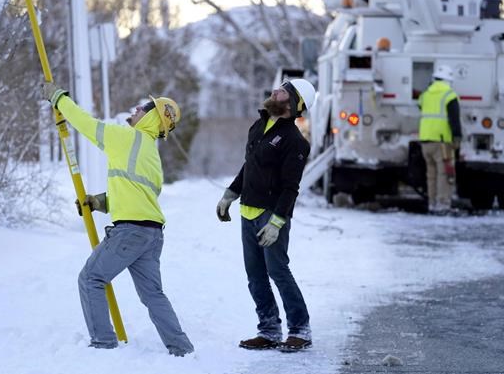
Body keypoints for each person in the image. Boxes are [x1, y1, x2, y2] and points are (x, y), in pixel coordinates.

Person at [41, 82, 194, 356]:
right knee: (153, 295)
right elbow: (137, 196)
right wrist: (100, 201)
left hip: (130, 232)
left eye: (145, 107)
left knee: (91, 278)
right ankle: (181, 348)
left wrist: (58, 98)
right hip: (152, 234)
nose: (137, 108)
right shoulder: (151, 155)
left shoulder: (126, 138)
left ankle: (103, 343)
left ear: (152, 117)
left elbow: (85, 124)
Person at [216, 78, 316, 352]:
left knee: (278, 271)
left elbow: (290, 188)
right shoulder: (258, 126)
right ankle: (269, 329)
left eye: (283, 90)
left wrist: (277, 221)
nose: (275, 90)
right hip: (248, 212)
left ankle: (300, 329)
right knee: (255, 275)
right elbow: (250, 166)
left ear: (294, 103)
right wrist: (230, 193)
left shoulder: (294, 141)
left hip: (272, 216)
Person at [418, 65, 462, 213]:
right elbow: (454, 119)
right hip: (442, 142)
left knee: (431, 175)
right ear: (449, 80)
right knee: (445, 174)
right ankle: (443, 205)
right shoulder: (450, 95)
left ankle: (432, 203)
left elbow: (420, 106)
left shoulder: (425, 95)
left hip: (425, 141)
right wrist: (457, 137)